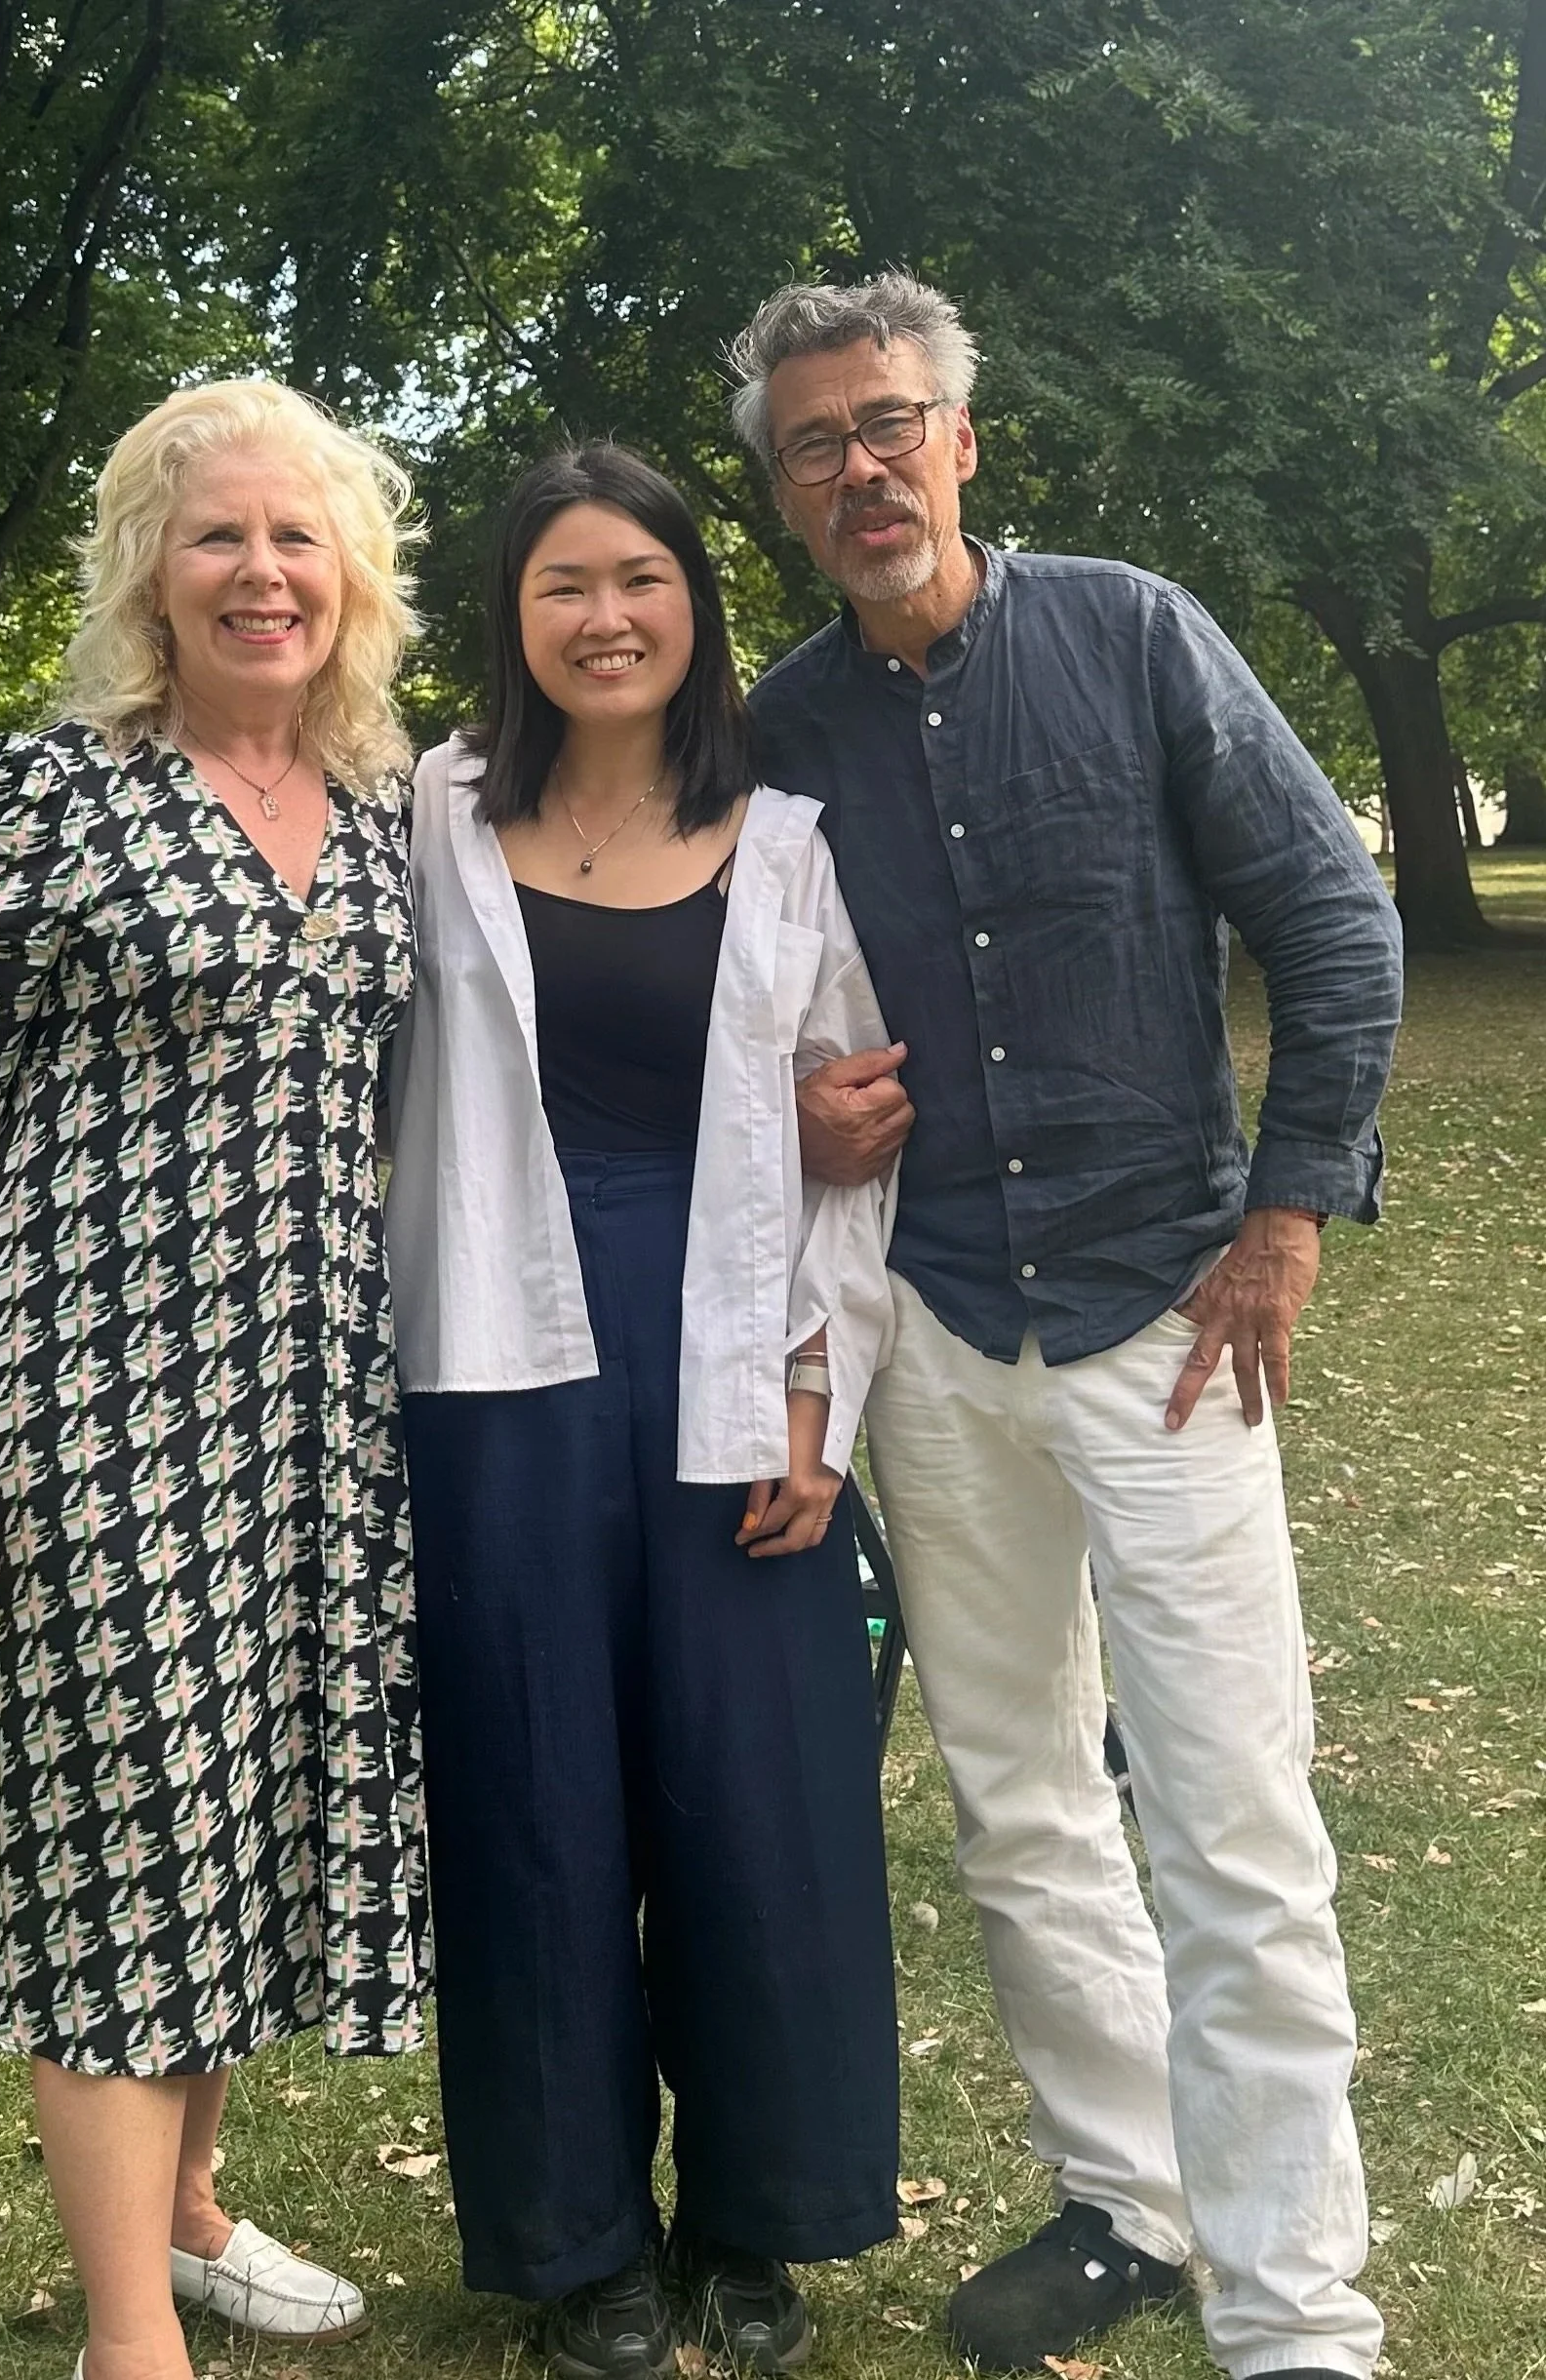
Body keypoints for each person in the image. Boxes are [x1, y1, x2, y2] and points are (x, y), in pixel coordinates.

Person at [729, 273, 1404, 2380]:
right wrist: (791, 1112)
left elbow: (1330, 917)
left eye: (890, 421)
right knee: (1018, 1794)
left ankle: (1299, 2308)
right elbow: (742, 1016)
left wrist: (1288, 1211)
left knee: (1226, 1809)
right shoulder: (774, 734)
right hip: (930, 1330)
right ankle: (1130, 2195)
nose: (860, 465)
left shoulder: (1129, 632)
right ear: (779, 493)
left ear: (961, 440)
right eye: (815, 442)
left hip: (1167, 1315)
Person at [0, 378, 427, 2380]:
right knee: (124, 1831)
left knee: (244, 1809)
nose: (262, 570)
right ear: (148, 571)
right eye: (219, 537)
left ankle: (185, 2214)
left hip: (315, 1405)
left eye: (297, 536)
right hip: (89, 1400)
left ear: (350, 570)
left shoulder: (387, 806)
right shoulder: (50, 790)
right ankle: (133, 2343)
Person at [387, 445, 901, 2380]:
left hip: (731, 1370)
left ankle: (760, 2215)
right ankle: (575, 2236)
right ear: (512, 622)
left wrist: (812, 1394)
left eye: (642, 579)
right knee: (530, 1800)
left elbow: (861, 1134)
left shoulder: (783, 836)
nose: (606, 614)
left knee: (760, 1799)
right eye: (561, 585)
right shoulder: (428, 811)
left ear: (694, 603)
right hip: (495, 1374)